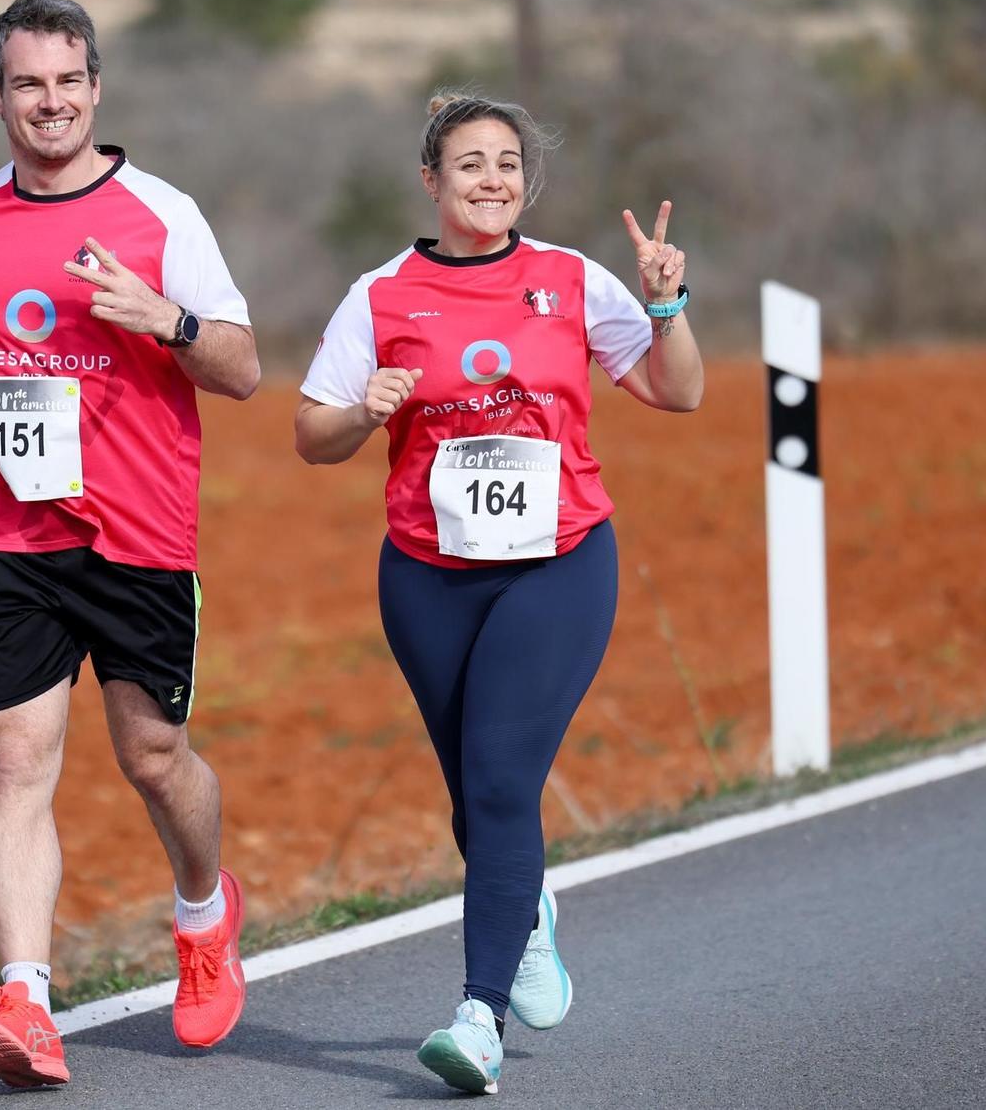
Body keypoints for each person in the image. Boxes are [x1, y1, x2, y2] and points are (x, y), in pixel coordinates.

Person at [0, 0, 261, 1088]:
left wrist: (162, 319)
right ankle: (25, 1001)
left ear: (97, 89)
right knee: (16, 756)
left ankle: (201, 910)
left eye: (68, 81)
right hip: (10, 534)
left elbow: (240, 369)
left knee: (150, 755)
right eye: (28, 83)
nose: (51, 101)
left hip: (139, 532)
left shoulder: (161, 215)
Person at [295, 90, 703, 1095]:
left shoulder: (568, 279)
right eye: (469, 163)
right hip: (427, 576)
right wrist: (360, 409)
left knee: (495, 780)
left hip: (556, 561)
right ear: (430, 180)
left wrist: (662, 306)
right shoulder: (381, 294)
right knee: (475, 797)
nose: (491, 180)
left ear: (525, 182)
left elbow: (675, 389)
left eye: (507, 164)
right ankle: (524, 909)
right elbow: (309, 433)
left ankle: (474, 1016)